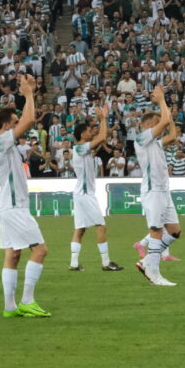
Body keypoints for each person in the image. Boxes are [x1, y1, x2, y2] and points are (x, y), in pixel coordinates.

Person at [0, 75, 52, 318]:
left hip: (9, 206)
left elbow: (26, 119)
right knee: (40, 250)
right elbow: (28, 120)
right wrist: (28, 95)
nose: (19, 127)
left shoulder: (3, 145)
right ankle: (27, 300)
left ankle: (9, 307)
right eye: (14, 123)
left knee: (13, 254)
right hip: (14, 207)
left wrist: (29, 96)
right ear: (7, 125)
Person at [132, 85, 180, 287]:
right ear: (148, 125)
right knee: (156, 231)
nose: (160, 123)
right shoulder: (141, 138)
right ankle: (154, 273)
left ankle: (146, 262)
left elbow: (173, 135)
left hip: (163, 191)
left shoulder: (156, 143)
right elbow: (165, 122)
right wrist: (161, 100)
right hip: (153, 191)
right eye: (156, 121)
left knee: (174, 231)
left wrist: (167, 113)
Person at [69, 106, 124, 272]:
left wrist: (102, 122)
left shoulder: (80, 148)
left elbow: (100, 137)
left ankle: (74, 263)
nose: (90, 132)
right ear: (81, 134)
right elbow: (102, 137)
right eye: (88, 131)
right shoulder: (80, 147)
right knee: (100, 226)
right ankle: (106, 263)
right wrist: (102, 119)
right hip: (86, 194)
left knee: (80, 229)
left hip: (80, 193)